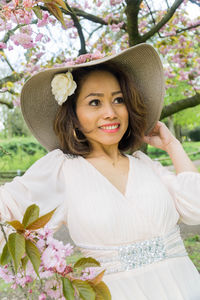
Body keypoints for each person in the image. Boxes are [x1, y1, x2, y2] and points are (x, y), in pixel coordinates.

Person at [1, 43, 200, 299]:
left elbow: (196, 208)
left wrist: (172, 145)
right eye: (95, 102)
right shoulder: (62, 169)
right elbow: (6, 210)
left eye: (119, 100)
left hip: (185, 287)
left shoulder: (145, 165)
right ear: (73, 115)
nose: (110, 112)